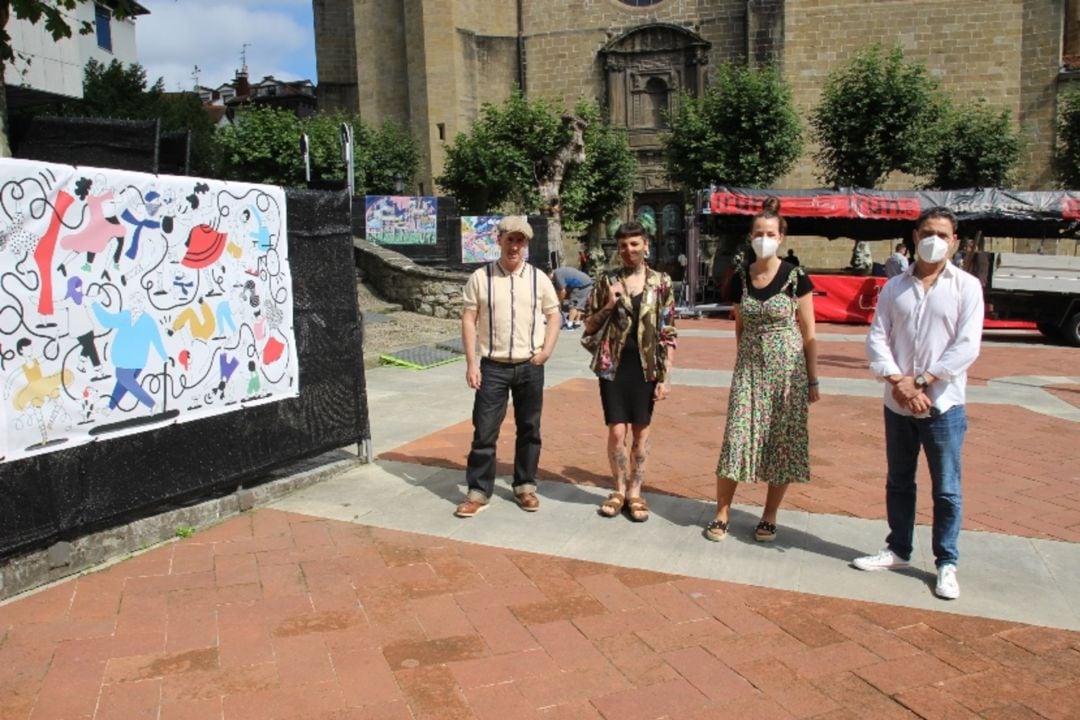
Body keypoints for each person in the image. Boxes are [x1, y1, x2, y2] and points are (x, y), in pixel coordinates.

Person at [855, 206, 983, 601]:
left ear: (955, 242)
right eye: (928, 233)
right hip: (898, 403)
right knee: (899, 480)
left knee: (946, 488)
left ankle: (946, 561)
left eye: (943, 235)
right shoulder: (895, 287)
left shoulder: (966, 287)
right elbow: (877, 338)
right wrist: (899, 382)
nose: (934, 241)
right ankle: (898, 549)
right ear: (914, 236)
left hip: (943, 405)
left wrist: (923, 381)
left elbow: (966, 346)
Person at [707, 197, 820, 542]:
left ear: (781, 237)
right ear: (750, 236)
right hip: (750, 370)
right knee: (736, 436)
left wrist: (812, 379)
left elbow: (809, 331)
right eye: (758, 233)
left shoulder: (796, 276)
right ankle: (722, 510)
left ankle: (769, 514)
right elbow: (739, 325)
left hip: (787, 371)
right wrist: (745, 362)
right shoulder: (741, 277)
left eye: (770, 233)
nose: (764, 239)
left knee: (781, 441)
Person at [455, 216, 561, 518]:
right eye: (510, 239)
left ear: (526, 244)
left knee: (529, 428)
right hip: (493, 367)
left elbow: (554, 314)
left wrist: (546, 351)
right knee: (484, 430)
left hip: (530, 365)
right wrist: (472, 363)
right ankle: (478, 491)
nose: (514, 246)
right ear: (499, 240)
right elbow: (469, 319)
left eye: (520, 240)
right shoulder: (481, 277)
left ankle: (525, 485)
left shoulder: (538, 278)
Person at [582, 221, 677, 523]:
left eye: (634, 244)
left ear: (645, 245)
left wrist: (666, 376)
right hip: (613, 365)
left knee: (641, 431)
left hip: (646, 367)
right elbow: (588, 325)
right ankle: (619, 489)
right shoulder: (607, 281)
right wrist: (609, 304)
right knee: (616, 431)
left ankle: (636, 492)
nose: (628, 250)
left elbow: (668, 331)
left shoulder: (661, 282)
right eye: (623, 245)